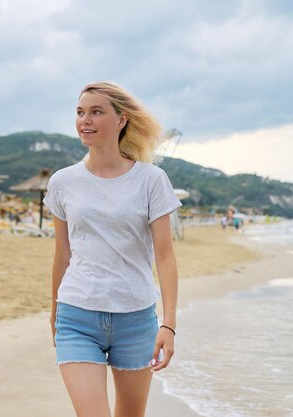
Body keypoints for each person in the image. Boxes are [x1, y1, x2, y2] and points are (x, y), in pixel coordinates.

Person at [43, 81, 181, 417]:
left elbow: (165, 256)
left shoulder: (151, 180)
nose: (84, 120)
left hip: (136, 320)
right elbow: (62, 255)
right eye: (80, 112)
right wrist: (54, 311)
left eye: (96, 112)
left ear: (121, 120)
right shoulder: (63, 181)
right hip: (77, 315)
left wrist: (169, 324)